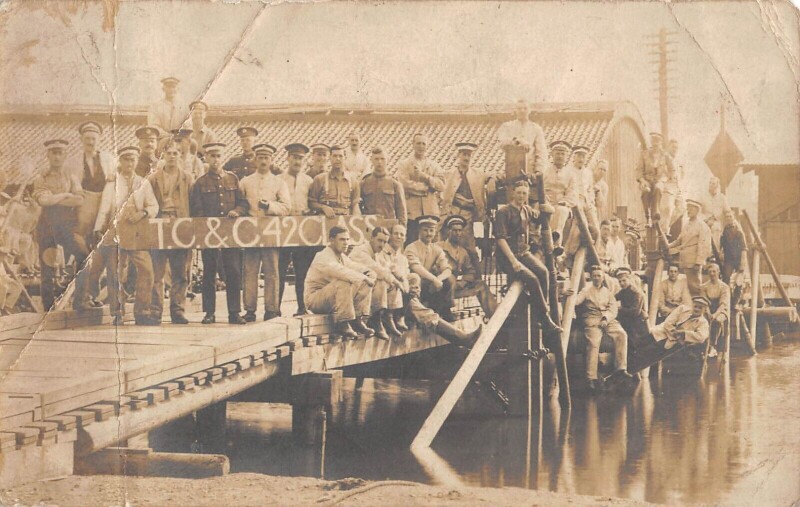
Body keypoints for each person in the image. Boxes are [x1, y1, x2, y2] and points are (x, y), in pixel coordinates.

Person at [91, 146, 160, 326]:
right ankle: (117, 313)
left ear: (136, 161)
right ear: (120, 162)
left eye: (132, 160)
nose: (129, 163)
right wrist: (98, 228)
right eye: (126, 159)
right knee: (116, 272)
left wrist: (142, 213)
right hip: (116, 232)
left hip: (137, 233)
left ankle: (142, 312)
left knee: (147, 269)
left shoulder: (143, 183)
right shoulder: (112, 183)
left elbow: (153, 206)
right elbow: (104, 208)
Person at [494, 179, 562, 335]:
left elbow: (543, 217)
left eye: (524, 193)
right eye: (518, 193)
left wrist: (549, 209)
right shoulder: (503, 212)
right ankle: (545, 319)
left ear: (527, 195)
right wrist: (513, 261)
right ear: (513, 193)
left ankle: (540, 313)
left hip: (523, 252)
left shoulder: (526, 210)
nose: (521, 196)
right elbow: (500, 239)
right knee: (532, 279)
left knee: (543, 272)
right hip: (507, 257)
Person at [189, 142, 246, 325]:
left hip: (230, 234)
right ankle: (209, 312)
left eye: (218, 156)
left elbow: (242, 203)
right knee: (209, 272)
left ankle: (234, 312)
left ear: (223, 158)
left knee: (233, 271)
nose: (215, 160)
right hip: (209, 235)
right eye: (212, 156)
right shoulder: (200, 183)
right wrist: (206, 225)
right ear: (206, 158)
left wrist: (236, 211)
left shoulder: (232, 179)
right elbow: (196, 210)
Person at [32, 139, 88, 311]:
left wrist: (55, 198)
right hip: (47, 227)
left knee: (84, 257)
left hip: (66, 227)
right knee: (47, 270)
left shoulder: (71, 177)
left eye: (60, 153)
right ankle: (48, 309)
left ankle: (79, 301)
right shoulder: (41, 177)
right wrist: (65, 195)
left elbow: (79, 200)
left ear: (65, 155)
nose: (57, 157)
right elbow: (44, 201)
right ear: (48, 155)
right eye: (53, 153)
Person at [239, 143, 291, 321]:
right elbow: (240, 204)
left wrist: (269, 206)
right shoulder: (245, 182)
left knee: (272, 271)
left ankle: (271, 309)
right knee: (250, 271)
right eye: (260, 158)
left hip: (270, 232)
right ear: (255, 160)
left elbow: (286, 207)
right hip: (251, 232)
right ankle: (250, 309)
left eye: (266, 158)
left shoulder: (279, 182)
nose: (263, 161)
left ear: (271, 161)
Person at [67, 121, 115, 308]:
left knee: (100, 253)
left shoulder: (109, 159)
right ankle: (79, 298)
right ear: (81, 139)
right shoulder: (74, 162)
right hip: (82, 208)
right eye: (87, 139)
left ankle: (91, 295)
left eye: (93, 139)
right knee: (83, 254)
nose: (90, 142)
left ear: (99, 140)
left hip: (102, 207)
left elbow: (113, 183)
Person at [148, 140, 194, 324]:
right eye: (169, 153)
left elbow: (193, 202)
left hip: (180, 225)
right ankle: (155, 311)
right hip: (159, 225)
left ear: (180, 155)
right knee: (156, 272)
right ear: (163, 155)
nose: (172, 157)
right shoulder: (153, 179)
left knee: (180, 272)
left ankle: (178, 311)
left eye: (176, 153)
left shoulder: (187, 178)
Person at [305, 226, 376, 338]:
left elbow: (354, 267)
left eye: (347, 239)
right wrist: (364, 278)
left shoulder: (341, 256)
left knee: (364, 281)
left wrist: (369, 273)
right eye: (342, 239)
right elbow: (340, 271)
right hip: (315, 300)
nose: (346, 243)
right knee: (345, 280)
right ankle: (343, 322)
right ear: (331, 240)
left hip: (331, 297)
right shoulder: (323, 256)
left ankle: (357, 320)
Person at [575, 265, 632, 391]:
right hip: (592, 318)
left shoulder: (607, 291)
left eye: (599, 276)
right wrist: (570, 295)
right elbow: (577, 301)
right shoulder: (586, 290)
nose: (597, 278)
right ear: (591, 277)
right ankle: (591, 377)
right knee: (594, 342)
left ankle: (621, 369)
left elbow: (613, 308)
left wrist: (606, 318)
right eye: (594, 276)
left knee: (621, 334)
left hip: (607, 319)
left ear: (603, 277)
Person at [278, 143, 316, 316]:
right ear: (288, 158)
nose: (297, 161)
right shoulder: (279, 179)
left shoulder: (308, 181)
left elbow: (313, 204)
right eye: (294, 157)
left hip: (302, 232)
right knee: (280, 270)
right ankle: (275, 308)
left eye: (300, 158)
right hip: (283, 230)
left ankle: (302, 307)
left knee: (302, 271)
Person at [440, 141, 490, 264]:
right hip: (451, 213)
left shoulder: (478, 174)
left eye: (469, 155)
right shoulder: (448, 174)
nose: (466, 158)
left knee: (469, 247)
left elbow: (493, 176)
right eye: (464, 154)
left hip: (469, 215)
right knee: (446, 244)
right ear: (458, 156)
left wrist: (492, 182)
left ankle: (475, 273)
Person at [350, 226, 404, 339]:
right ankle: (375, 319)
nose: (382, 244)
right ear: (371, 238)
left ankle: (388, 317)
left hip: (364, 290)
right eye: (379, 240)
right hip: (352, 291)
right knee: (382, 280)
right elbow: (376, 269)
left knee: (391, 281)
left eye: (385, 242)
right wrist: (394, 280)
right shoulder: (361, 251)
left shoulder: (376, 253)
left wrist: (401, 277)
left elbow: (388, 266)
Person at [438, 215, 496, 318]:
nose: (458, 233)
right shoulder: (438, 247)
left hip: (456, 287)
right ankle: (446, 315)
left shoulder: (463, 252)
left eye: (460, 230)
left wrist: (462, 282)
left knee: (481, 285)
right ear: (448, 232)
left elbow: (471, 272)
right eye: (455, 230)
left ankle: (494, 316)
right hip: (441, 287)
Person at [395, 133, 445, 243]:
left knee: (430, 244)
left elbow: (441, 185)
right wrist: (424, 188)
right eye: (418, 143)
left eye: (423, 144)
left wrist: (426, 177)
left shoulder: (434, 166)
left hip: (430, 212)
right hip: (412, 213)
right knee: (411, 242)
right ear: (413, 144)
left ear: (427, 146)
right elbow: (404, 184)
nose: (421, 146)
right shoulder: (404, 164)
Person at [405, 215, 456, 321]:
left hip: (430, 285)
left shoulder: (436, 249)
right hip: (414, 286)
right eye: (425, 230)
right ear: (419, 231)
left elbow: (447, 269)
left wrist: (438, 279)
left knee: (449, 279)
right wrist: (434, 279)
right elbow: (416, 267)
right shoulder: (411, 248)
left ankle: (443, 311)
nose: (429, 234)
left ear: (435, 232)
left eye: (431, 230)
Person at [669, 198, 712, 296]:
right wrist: (668, 246)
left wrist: (699, 262)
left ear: (697, 210)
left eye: (691, 208)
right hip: (685, 261)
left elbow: (703, 246)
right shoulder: (687, 224)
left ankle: (698, 302)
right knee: (688, 286)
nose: (688, 210)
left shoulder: (702, 226)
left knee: (695, 287)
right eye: (687, 208)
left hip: (694, 262)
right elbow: (679, 240)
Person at [563, 145, 600, 260]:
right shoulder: (568, 171)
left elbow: (590, 189)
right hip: (574, 201)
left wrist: (591, 201)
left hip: (586, 202)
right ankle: (569, 253)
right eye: (579, 156)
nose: (581, 159)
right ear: (574, 157)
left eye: (583, 157)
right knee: (579, 224)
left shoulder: (588, 172)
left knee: (596, 228)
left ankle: (594, 255)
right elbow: (565, 188)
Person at [496, 99, 549, 175]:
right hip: (511, 168)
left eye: (525, 108)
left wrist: (539, 171)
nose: (522, 111)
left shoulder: (536, 129)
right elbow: (501, 142)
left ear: (530, 110)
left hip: (529, 171)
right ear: (515, 110)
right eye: (519, 108)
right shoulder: (507, 126)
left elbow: (541, 152)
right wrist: (517, 142)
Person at [543, 140, 579, 247]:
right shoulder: (544, 171)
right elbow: (540, 188)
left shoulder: (571, 174)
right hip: (546, 202)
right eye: (557, 153)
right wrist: (545, 200)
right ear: (552, 154)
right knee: (548, 211)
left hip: (562, 204)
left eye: (563, 154)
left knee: (561, 211)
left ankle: (556, 239)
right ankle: (554, 244)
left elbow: (572, 193)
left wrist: (564, 202)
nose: (560, 156)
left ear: (567, 156)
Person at [309, 145, 360, 217]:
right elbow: (311, 203)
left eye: (340, 156)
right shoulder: (319, 179)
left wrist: (356, 215)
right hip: (325, 219)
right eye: (335, 156)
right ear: (330, 158)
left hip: (346, 219)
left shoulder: (353, 182)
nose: (338, 159)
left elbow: (355, 204)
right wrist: (323, 207)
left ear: (345, 158)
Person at [360, 146, 407, 223]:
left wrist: (401, 227)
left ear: (387, 160)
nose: (379, 162)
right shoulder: (364, 183)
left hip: (388, 225)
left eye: (382, 159)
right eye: (376, 159)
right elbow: (357, 207)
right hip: (369, 225)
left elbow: (401, 212)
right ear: (371, 160)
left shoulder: (395, 184)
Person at [381, 223, 412, 332]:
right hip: (385, 284)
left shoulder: (402, 258)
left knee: (414, 279)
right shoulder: (382, 251)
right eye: (396, 234)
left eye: (402, 235)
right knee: (394, 282)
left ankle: (400, 315)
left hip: (399, 287)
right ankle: (388, 316)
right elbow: (386, 269)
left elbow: (406, 273)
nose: (399, 237)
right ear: (390, 236)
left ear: (405, 238)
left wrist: (405, 281)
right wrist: (402, 280)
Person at [636, 132, 672, 225]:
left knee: (658, 188)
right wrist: (642, 180)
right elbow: (639, 170)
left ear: (661, 143)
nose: (655, 146)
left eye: (657, 144)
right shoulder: (644, 154)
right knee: (646, 191)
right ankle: (647, 215)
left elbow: (671, 170)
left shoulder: (665, 156)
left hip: (659, 180)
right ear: (651, 143)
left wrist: (665, 179)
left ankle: (655, 213)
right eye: (653, 143)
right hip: (647, 180)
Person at [614, 266, 649, 350]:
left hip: (637, 324)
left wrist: (619, 309)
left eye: (624, 280)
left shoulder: (636, 292)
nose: (622, 283)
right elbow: (613, 298)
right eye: (620, 281)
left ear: (629, 279)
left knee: (637, 347)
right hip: (628, 322)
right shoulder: (623, 291)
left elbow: (635, 312)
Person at [700, 262, 730, 358]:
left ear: (718, 272)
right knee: (701, 321)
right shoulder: (704, 286)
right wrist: (708, 313)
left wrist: (715, 314)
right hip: (708, 310)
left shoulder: (724, 287)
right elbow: (704, 302)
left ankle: (713, 346)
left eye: (714, 271)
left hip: (721, 311)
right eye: (710, 272)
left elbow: (723, 304)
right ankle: (703, 346)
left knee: (717, 321)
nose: (712, 274)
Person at [719, 209, 749, 297]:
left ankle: (736, 299)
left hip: (738, 259)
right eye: (727, 217)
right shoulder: (725, 229)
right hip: (729, 260)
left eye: (730, 216)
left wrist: (742, 263)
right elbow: (723, 243)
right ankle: (727, 297)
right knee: (726, 278)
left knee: (739, 281)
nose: (728, 218)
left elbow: (744, 248)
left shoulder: (739, 231)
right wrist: (720, 252)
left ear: (734, 217)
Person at [700, 176, 729, 251]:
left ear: (717, 185)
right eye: (710, 183)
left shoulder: (722, 198)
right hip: (705, 222)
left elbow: (727, 211)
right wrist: (706, 220)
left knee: (716, 229)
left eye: (713, 184)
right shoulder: (703, 196)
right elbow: (699, 211)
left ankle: (715, 254)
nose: (711, 185)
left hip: (717, 222)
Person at [661, 138, 684, 229]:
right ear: (668, 147)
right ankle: (664, 230)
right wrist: (668, 175)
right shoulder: (664, 157)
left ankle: (665, 226)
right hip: (668, 187)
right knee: (668, 210)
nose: (675, 149)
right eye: (673, 147)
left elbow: (682, 172)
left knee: (682, 208)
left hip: (677, 187)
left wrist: (680, 178)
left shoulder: (677, 160)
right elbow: (661, 169)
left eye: (676, 148)